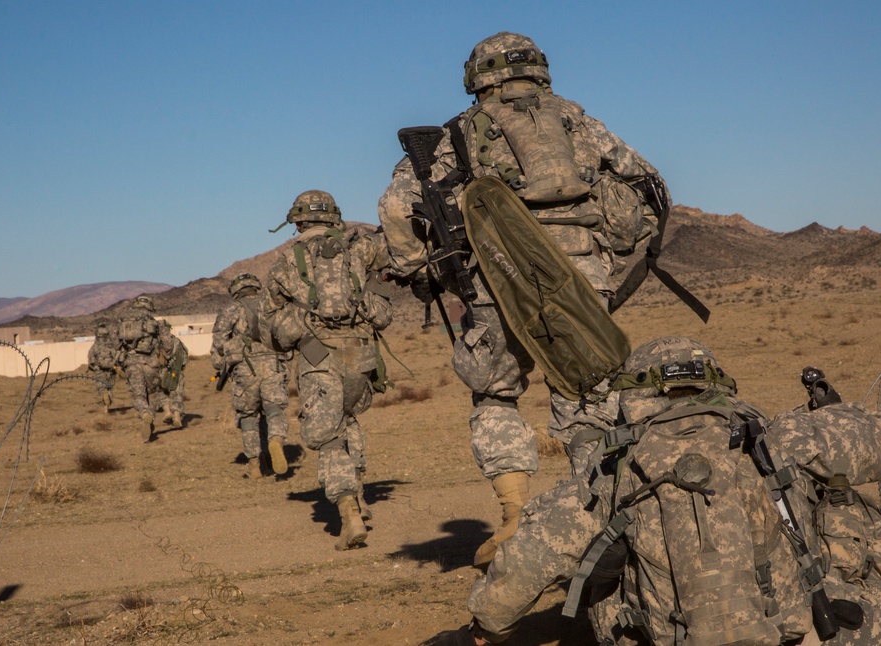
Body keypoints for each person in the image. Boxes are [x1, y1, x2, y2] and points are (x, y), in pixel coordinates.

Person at [378, 31, 667, 570]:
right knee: (589, 394)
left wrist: (421, 270)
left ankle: (513, 516)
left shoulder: (458, 132)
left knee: (495, 393)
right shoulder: (580, 121)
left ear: (476, 77)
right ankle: (601, 514)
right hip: (580, 277)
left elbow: (397, 207)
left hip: (495, 277)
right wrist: (610, 257)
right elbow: (648, 186)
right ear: (540, 70)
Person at [428, 337, 881, 646]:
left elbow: (524, 565)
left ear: (634, 396)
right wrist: (832, 419)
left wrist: (484, 630)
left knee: (597, 569)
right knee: (880, 530)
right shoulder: (778, 436)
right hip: (794, 632)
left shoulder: (614, 470)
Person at [263, 189, 394, 550]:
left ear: (298, 220)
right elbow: (396, 253)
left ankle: (349, 511)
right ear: (334, 217)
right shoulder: (359, 247)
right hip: (362, 356)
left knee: (329, 435)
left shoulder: (286, 261)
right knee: (347, 419)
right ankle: (362, 499)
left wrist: (295, 333)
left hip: (317, 356)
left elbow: (269, 327)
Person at [211, 272, 292, 479]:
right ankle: (276, 440)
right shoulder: (272, 304)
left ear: (236, 290)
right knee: (274, 409)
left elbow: (219, 342)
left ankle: (255, 465)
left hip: (246, 369)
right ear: (256, 286)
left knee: (248, 416)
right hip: (274, 365)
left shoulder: (232, 309)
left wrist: (222, 362)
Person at [117, 295, 165, 441]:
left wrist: (118, 363)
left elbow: (116, 343)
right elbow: (165, 342)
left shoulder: (123, 319)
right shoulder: (151, 320)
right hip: (151, 362)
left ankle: (145, 414)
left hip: (131, 361)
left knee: (138, 394)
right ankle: (151, 419)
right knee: (153, 393)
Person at [157, 319, 188, 429]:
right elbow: (184, 358)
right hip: (176, 371)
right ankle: (177, 417)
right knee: (177, 394)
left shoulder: (156, 342)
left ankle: (167, 411)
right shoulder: (177, 341)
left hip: (161, 372)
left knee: (161, 392)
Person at [87, 320, 120, 413]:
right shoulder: (111, 346)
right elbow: (116, 356)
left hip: (99, 369)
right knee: (110, 386)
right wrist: (115, 366)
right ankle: (108, 402)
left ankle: (105, 407)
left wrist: (94, 367)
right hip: (111, 368)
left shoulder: (95, 346)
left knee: (101, 386)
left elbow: (91, 357)